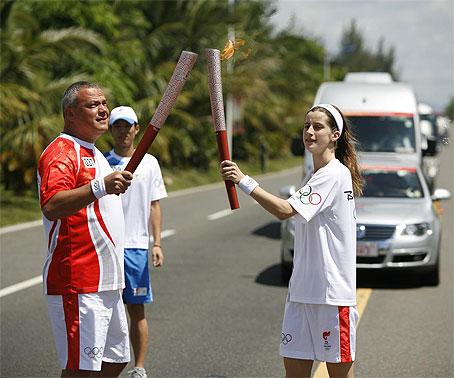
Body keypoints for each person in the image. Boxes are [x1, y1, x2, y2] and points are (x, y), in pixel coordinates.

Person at [221, 104, 363, 378]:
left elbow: (284, 210)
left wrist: (244, 181)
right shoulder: (318, 175)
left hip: (331, 298)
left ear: (335, 135)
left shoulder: (334, 174)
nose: (309, 132)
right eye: (306, 126)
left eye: (318, 126)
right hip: (301, 293)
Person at [37, 81, 133, 377]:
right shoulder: (62, 152)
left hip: (107, 280)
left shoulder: (95, 153)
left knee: (115, 361)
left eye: (104, 103)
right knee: (81, 370)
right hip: (78, 280)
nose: (103, 109)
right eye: (93, 105)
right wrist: (99, 187)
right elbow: (51, 204)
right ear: (70, 114)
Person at [104, 106, 168, 378]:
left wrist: (156, 243)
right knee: (107, 311)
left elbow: (154, 205)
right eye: (117, 126)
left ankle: (139, 367)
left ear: (136, 129)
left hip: (136, 247)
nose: (122, 131)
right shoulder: (102, 161)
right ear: (111, 130)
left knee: (136, 310)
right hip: (107, 247)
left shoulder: (150, 163)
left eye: (127, 126)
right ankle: (105, 365)